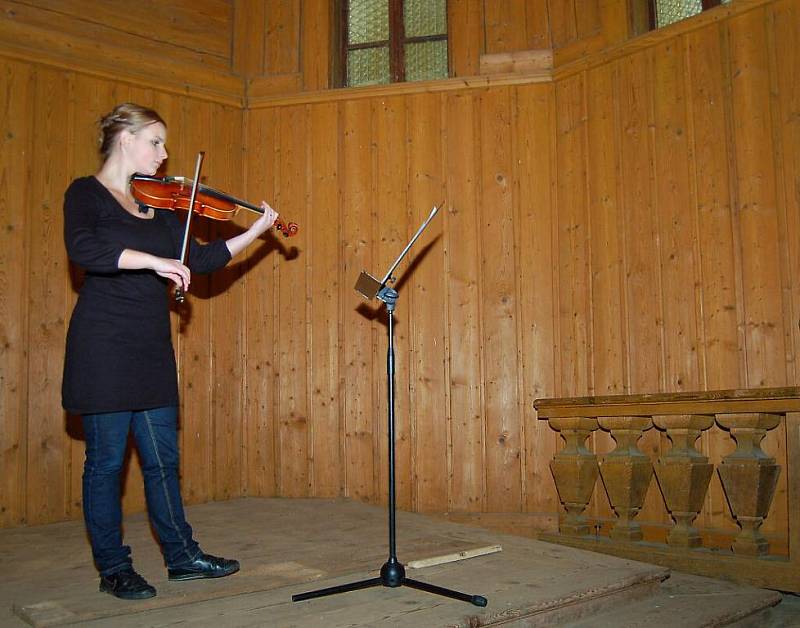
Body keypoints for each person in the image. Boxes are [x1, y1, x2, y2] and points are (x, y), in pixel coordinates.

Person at [62, 102, 278, 600]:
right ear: (125, 140)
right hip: (103, 347)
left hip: (150, 349)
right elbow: (84, 249)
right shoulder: (86, 194)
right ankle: (115, 568)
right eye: (155, 142)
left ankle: (182, 558)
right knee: (107, 464)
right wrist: (152, 261)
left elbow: (199, 259)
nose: (164, 154)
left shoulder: (161, 207)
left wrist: (254, 232)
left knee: (162, 462)